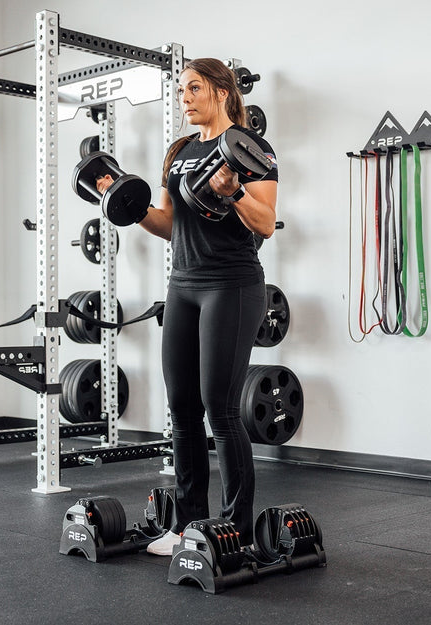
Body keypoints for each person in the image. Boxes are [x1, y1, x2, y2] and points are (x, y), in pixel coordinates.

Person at [96, 58, 278, 555]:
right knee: (181, 409)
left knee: (221, 408)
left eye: (195, 88)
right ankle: (189, 524)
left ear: (221, 92)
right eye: (182, 90)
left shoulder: (250, 147)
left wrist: (234, 189)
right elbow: (169, 223)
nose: (185, 97)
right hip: (184, 285)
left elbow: (264, 222)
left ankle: (234, 528)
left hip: (232, 284)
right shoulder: (178, 152)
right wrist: (126, 207)